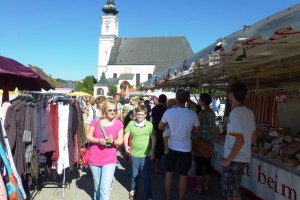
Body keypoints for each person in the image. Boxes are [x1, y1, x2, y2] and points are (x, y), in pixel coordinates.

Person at [159, 89, 200, 200]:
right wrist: (187, 132)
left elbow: (160, 126)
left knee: (169, 173)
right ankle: (180, 198)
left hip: (172, 146)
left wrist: (171, 127)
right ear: (186, 99)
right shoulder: (192, 114)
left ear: (176, 99)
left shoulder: (169, 112)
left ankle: (167, 198)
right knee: (183, 175)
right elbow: (196, 131)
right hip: (186, 148)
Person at [220, 82, 256, 200]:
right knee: (234, 190)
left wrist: (228, 160)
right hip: (241, 158)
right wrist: (244, 150)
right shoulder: (249, 113)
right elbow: (253, 137)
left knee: (231, 192)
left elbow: (239, 140)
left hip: (233, 159)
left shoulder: (235, 113)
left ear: (232, 94)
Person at [86, 99, 124, 200]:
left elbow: (120, 141)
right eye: (110, 110)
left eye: (114, 110)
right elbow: (88, 136)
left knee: (105, 188)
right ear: (105, 111)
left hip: (110, 160)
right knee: (97, 186)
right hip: (94, 158)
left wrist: (113, 141)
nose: (112, 112)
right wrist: (98, 141)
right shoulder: (96, 121)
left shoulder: (118, 123)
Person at [124, 105, 156, 200]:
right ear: (135, 114)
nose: (140, 116)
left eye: (142, 114)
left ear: (145, 115)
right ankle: (133, 190)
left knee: (146, 176)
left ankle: (148, 195)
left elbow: (153, 138)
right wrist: (126, 146)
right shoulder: (131, 124)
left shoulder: (149, 125)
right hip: (134, 154)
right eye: (138, 114)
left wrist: (153, 150)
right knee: (134, 174)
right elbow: (126, 135)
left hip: (146, 154)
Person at [194, 93, 216, 194]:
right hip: (210, 143)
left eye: (200, 99)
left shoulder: (201, 113)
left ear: (203, 101)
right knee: (207, 166)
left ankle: (199, 187)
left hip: (201, 143)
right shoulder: (212, 112)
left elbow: (197, 129)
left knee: (199, 166)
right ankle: (206, 185)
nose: (199, 101)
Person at [151, 94, 167, 174]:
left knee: (154, 148)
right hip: (162, 131)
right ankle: (157, 167)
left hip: (154, 130)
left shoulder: (154, 108)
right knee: (159, 150)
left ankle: (153, 165)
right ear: (165, 100)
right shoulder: (165, 109)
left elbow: (152, 120)